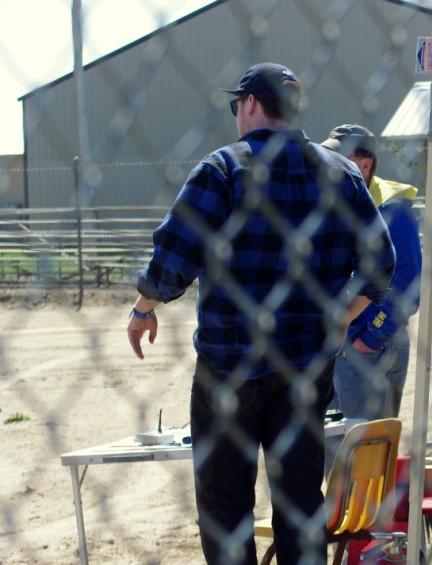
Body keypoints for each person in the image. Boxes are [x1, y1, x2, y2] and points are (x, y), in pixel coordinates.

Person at [126, 62, 395, 565]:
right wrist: (342, 314)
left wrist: (145, 306)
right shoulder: (339, 173)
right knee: (300, 498)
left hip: (231, 364)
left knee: (225, 502)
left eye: (236, 106)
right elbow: (382, 265)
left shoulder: (223, 169)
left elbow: (173, 259)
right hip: (306, 364)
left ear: (250, 104)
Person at [320, 124, 422, 422]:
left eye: (339, 159)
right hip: (340, 345)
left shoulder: (392, 208)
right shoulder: (337, 203)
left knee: (365, 448)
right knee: (339, 449)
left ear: (365, 165)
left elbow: (408, 282)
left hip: (368, 345)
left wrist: (372, 336)